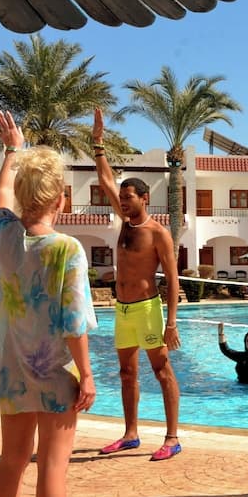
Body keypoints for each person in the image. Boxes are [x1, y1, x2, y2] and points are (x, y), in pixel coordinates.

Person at [0, 110, 104, 497]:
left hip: (12, 371)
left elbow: (1, 194)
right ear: (61, 198)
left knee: (11, 460)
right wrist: (87, 374)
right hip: (54, 374)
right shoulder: (66, 249)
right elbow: (74, 324)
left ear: (23, 196)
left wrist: (12, 150)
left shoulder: (3, 235)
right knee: (53, 466)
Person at [91, 108, 183, 462]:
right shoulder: (125, 223)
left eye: (129, 198)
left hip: (147, 309)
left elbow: (172, 279)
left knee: (162, 371)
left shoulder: (158, 233)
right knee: (126, 373)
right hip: (123, 310)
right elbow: (104, 180)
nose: (123, 202)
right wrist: (98, 144)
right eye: (122, 198)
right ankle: (131, 434)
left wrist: (171, 322)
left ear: (145, 199)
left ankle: (172, 438)